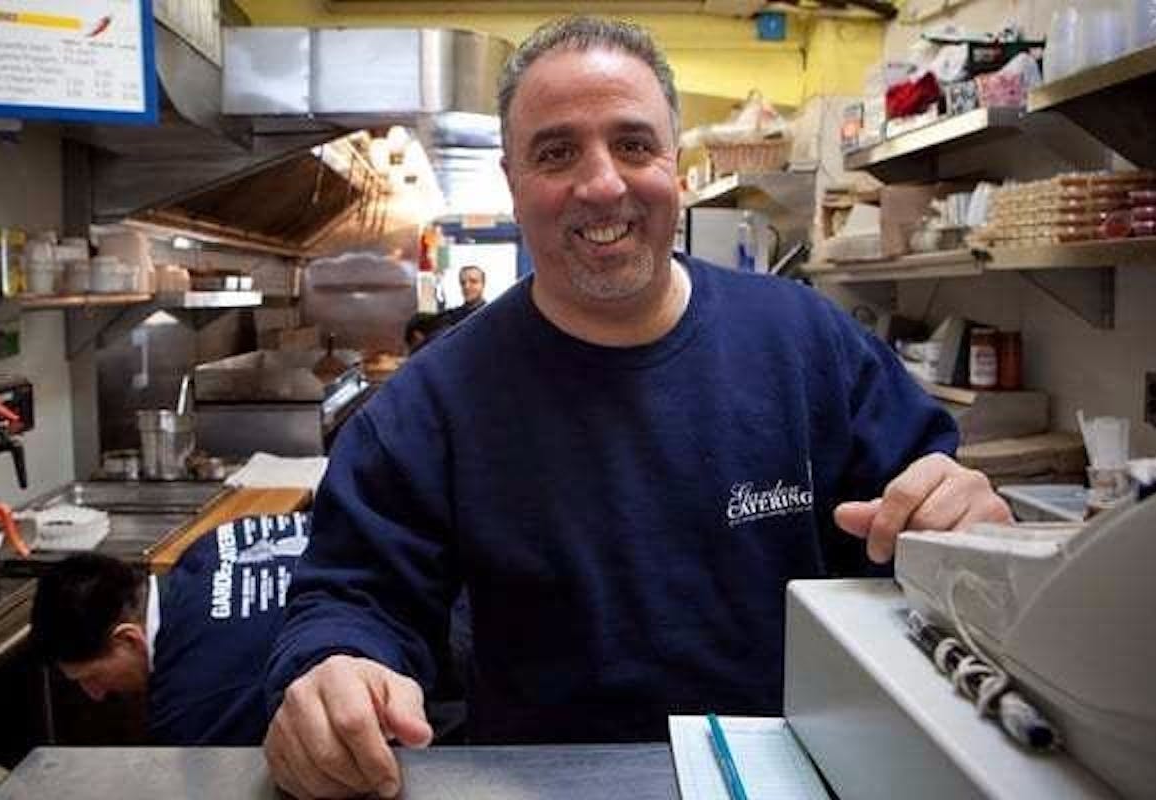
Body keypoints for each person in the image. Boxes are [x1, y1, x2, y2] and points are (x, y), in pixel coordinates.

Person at [264, 17, 1011, 800]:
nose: (602, 185)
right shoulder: (431, 405)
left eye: (633, 144)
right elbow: (353, 598)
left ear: (675, 166)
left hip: (814, 774)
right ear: (512, 180)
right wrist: (334, 670)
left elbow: (929, 540)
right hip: (545, 787)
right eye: (556, 153)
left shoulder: (808, 346)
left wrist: (967, 533)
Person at [31, 512, 310, 745]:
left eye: (90, 676)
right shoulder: (208, 546)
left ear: (128, 639)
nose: (95, 693)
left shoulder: (190, 708)